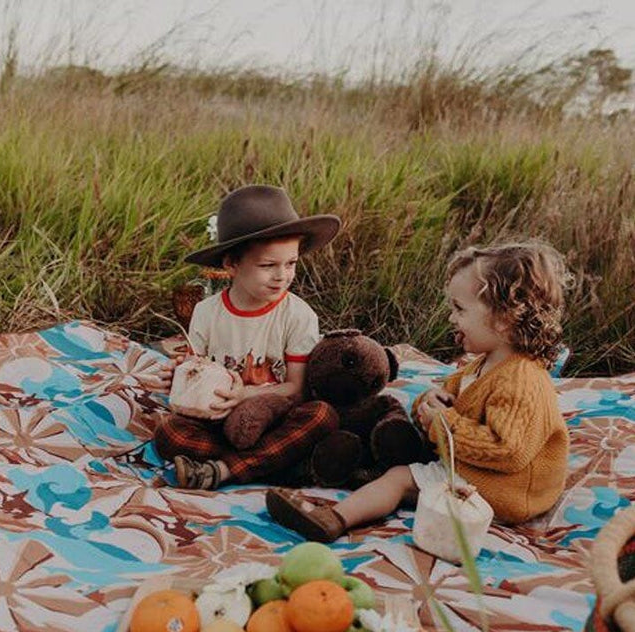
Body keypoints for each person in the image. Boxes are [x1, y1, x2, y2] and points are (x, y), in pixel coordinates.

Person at [266, 239, 571, 541]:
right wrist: (429, 402)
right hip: (477, 470)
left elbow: (507, 450)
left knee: (399, 479)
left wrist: (441, 422)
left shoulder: (522, 379)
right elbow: (449, 397)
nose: (451, 318)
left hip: (506, 490)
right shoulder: (485, 364)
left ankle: (333, 519)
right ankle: (353, 472)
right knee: (393, 448)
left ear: (504, 319)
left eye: (459, 309)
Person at [154, 185, 341, 490]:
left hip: (274, 419)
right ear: (231, 264)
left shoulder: (298, 315)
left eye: (291, 263)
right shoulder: (206, 312)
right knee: (169, 433)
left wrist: (245, 396)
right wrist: (178, 378)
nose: (282, 276)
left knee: (322, 416)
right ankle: (272, 464)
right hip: (218, 419)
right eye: (268, 265)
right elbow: (196, 369)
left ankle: (224, 469)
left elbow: (297, 390)